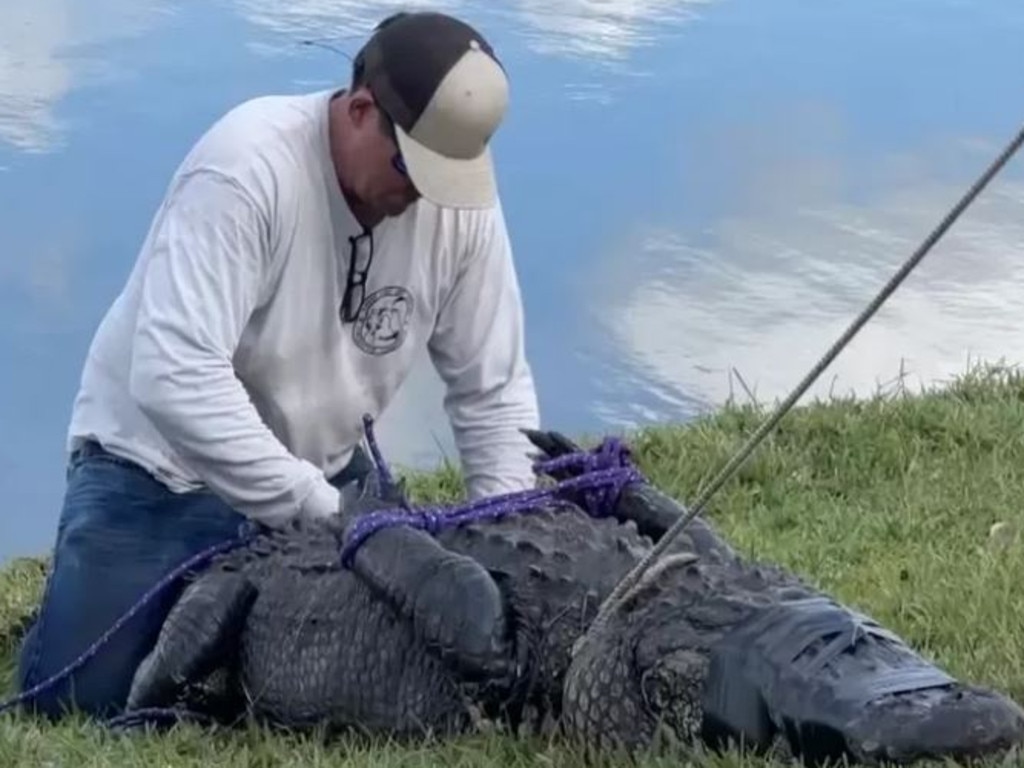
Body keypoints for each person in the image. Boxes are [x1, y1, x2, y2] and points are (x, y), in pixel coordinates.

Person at [16, 10, 541, 721]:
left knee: (422, 673)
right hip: (159, 474)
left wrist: (504, 533)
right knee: (83, 707)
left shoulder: (458, 202)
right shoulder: (245, 168)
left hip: (325, 476)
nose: (424, 195)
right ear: (360, 111)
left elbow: (494, 393)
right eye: (412, 170)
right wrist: (320, 511)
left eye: (444, 179)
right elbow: (174, 373)